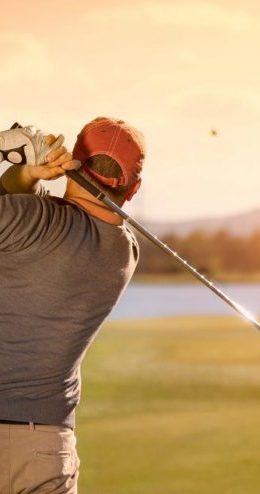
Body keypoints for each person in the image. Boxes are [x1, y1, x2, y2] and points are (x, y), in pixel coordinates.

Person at [0, 117, 145, 493]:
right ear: (134, 188)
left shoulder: (28, 218)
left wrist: (25, 174)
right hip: (45, 447)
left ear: (71, 165)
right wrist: (26, 179)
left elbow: (20, 209)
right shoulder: (124, 251)